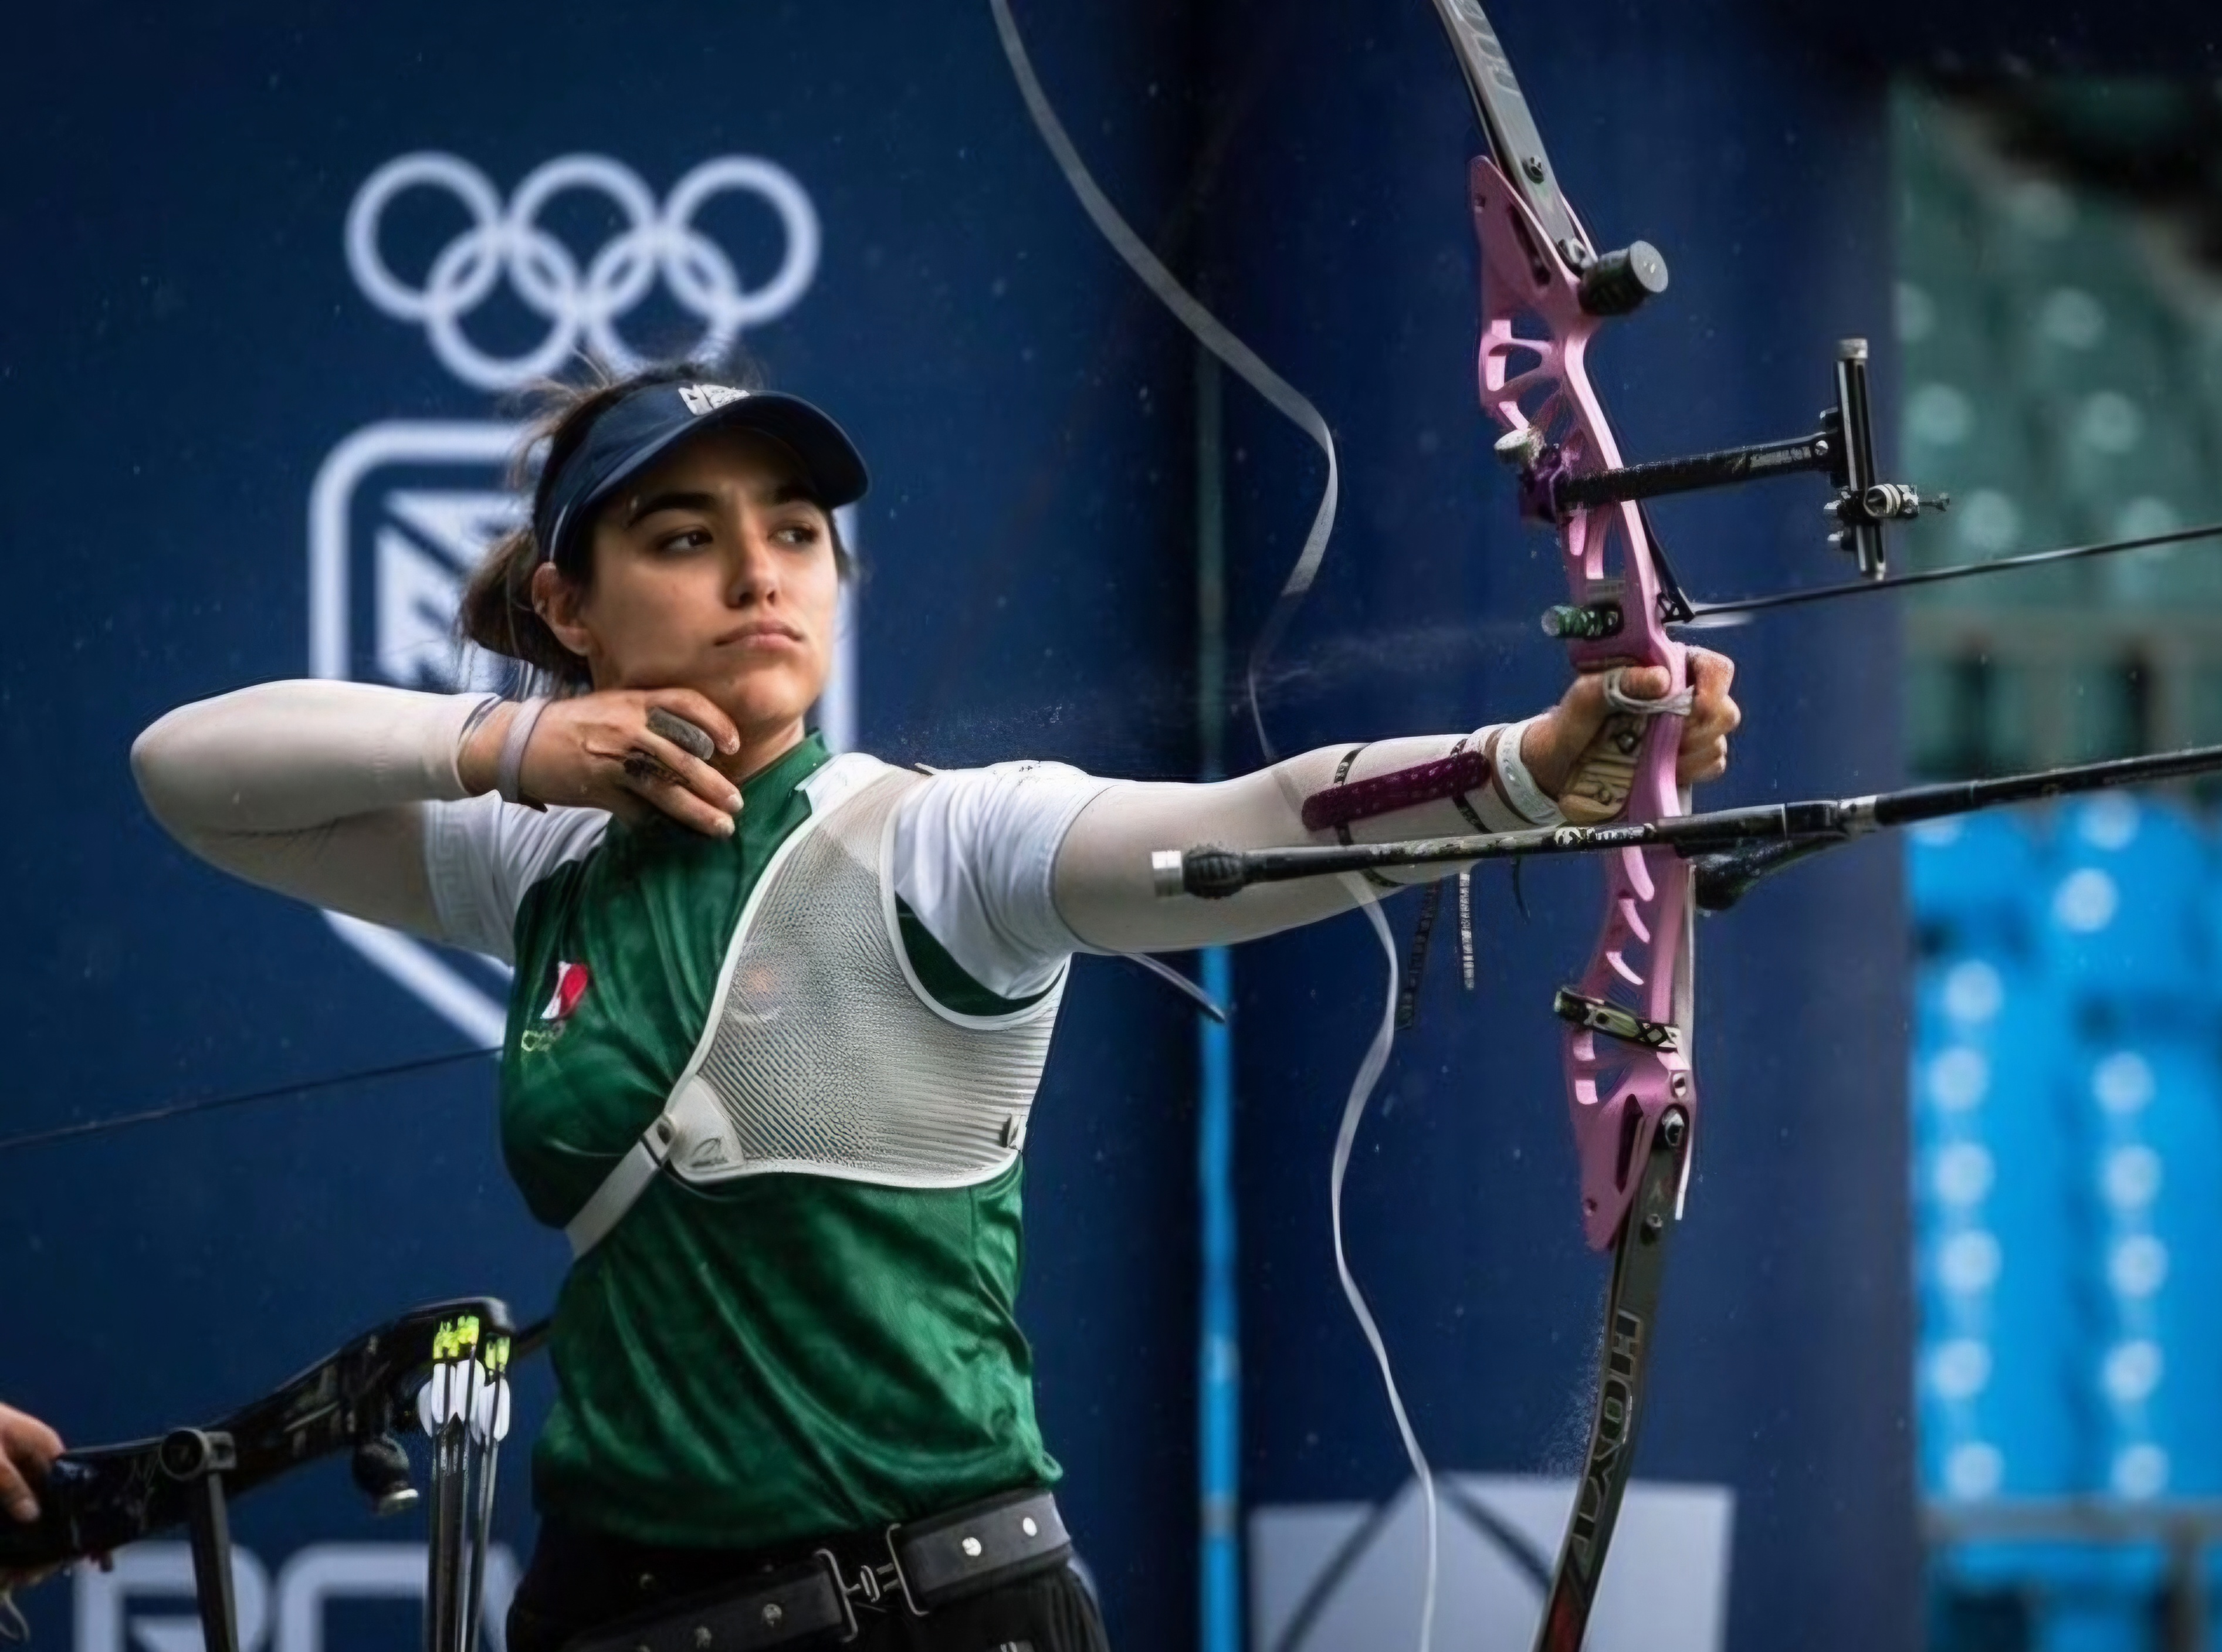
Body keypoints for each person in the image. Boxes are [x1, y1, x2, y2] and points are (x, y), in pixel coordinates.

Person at [124, 360, 1740, 1652]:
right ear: (568, 607)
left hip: (940, 1613)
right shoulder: (534, 859)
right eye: (682, 538)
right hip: (608, 1615)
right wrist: (504, 748)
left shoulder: (945, 842)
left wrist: (1527, 770)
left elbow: (1257, 821)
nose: (758, 570)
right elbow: (189, 775)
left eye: (796, 532)